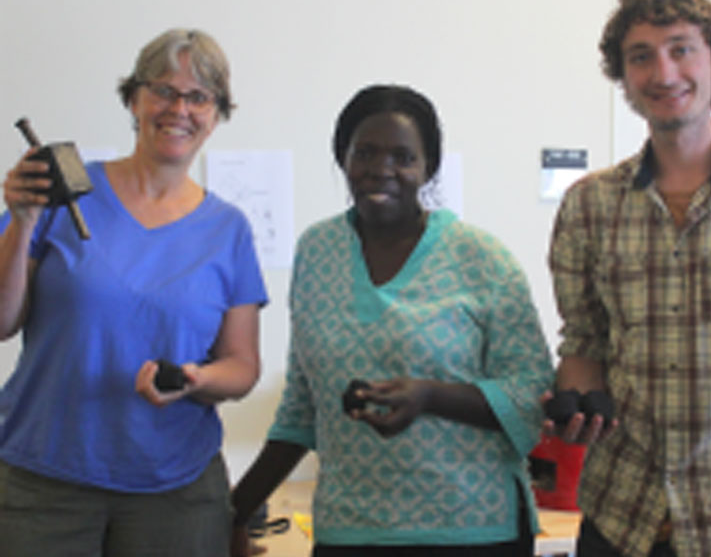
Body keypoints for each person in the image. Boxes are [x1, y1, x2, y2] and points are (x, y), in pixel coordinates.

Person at [230, 84, 554, 556]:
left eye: (403, 157)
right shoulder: (316, 252)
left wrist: (431, 396)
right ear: (343, 158)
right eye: (365, 153)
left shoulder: (481, 257)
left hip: (473, 531)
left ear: (428, 167)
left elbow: (531, 393)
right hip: (350, 531)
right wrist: (235, 511)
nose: (382, 170)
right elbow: (302, 408)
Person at [0, 28, 267, 556]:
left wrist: (195, 379)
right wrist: (22, 221)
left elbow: (241, 365)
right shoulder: (57, 197)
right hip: (43, 480)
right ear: (133, 99)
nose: (179, 108)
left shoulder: (228, 229)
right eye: (163, 90)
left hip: (176, 489)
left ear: (216, 114)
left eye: (198, 96)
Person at [545, 0, 711, 557]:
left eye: (681, 49)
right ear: (624, 77)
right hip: (623, 512)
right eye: (641, 57)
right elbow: (584, 343)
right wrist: (577, 407)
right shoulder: (589, 205)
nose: (663, 74)